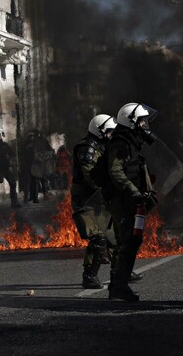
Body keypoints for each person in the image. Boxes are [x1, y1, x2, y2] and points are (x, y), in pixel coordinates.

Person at [106, 103, 158, 302]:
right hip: (124, 201)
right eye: (142, 121)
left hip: (133, 200)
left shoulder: (131, 141)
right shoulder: (121, 143)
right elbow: (116, 172)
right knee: (128, 242)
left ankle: (118, 284)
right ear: (132, 122)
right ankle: (118, 287)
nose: (145, 125)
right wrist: (134, 192)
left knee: (131, 241)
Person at [71, 114, 116, 289]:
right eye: (109, 131)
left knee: (114, 235)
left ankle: (121, 271)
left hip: (99, 196)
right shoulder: (88, 149)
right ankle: (89, 276)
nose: (111, 135)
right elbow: (90, 176)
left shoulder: (102, 146)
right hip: (86, 199)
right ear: (100, 131)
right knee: (98, 237)